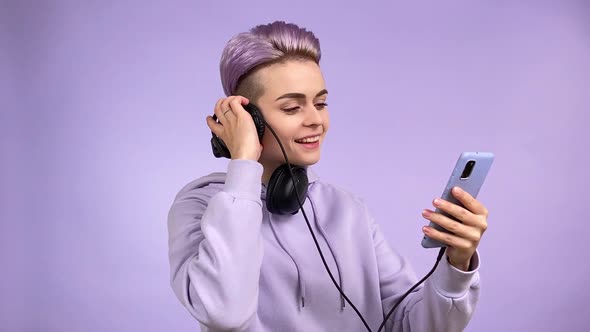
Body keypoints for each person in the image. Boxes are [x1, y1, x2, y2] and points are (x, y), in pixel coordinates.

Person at [167, 21, 488, 332]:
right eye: (292, 108)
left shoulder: (347, 209)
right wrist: (243, 163)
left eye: (320, 103)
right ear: (249, 119)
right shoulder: (199, 204)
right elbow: (225, 314)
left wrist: (457, 264)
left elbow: (411, 325)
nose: (315, 120)